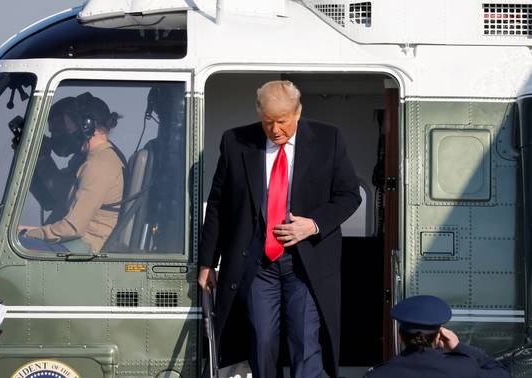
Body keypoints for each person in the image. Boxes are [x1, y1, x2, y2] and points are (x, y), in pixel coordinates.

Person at [198, 80, 361, 378]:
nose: (275, 130)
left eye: (282, 122)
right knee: (261, 342)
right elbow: (219, 204)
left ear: (298, 113)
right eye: (268, 122)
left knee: (304, 342)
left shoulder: (329, 139)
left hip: (306, 262)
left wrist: (313, 224)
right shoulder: (236, 141)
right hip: (258, 262)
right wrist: (208, 261)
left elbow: (350, 195)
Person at [19, 92, 126, 253]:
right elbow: (57, 199)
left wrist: (24, 233)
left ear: (86, 126)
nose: (58, 137)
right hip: (76, 244)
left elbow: (71, 228)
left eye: (64, 129)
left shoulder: (99, 164)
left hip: (82, 247)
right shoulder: (95, 158)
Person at [364, 295, 510, 378]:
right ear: (439, 336)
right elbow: (503, 374)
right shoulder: (465, 369)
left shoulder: (378, 375)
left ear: (400, 336)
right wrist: (459, 347)